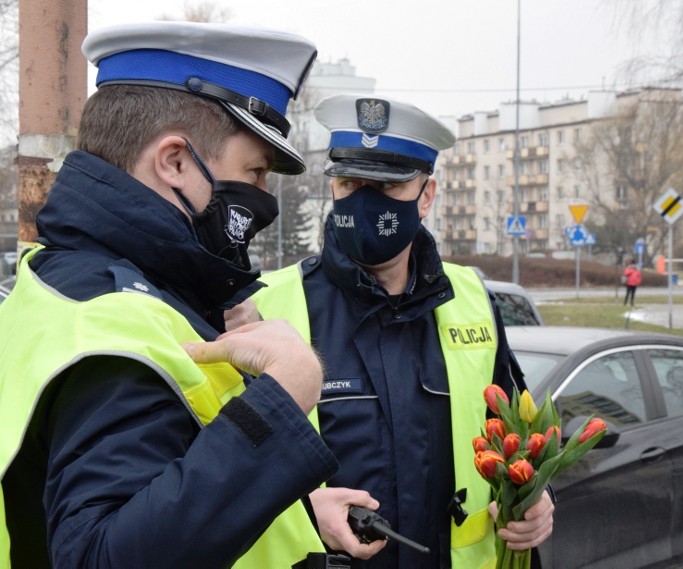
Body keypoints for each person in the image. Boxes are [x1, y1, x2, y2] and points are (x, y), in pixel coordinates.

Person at [0, 22, 340, 568]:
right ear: (175, 161)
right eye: (254, 171)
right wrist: (279, 402)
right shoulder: (117, 331)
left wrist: (295, 507)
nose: (261, 197)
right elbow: (99, 554)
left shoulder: (61, 279)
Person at [247, 94, 554, 568]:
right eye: (350, 183)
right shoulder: (268, 307)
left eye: (385, 187)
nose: (364, 202)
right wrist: (305, 510)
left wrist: (537, 495)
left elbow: (518, 431)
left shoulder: (472, 300)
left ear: (426, 197)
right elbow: (226, 473)